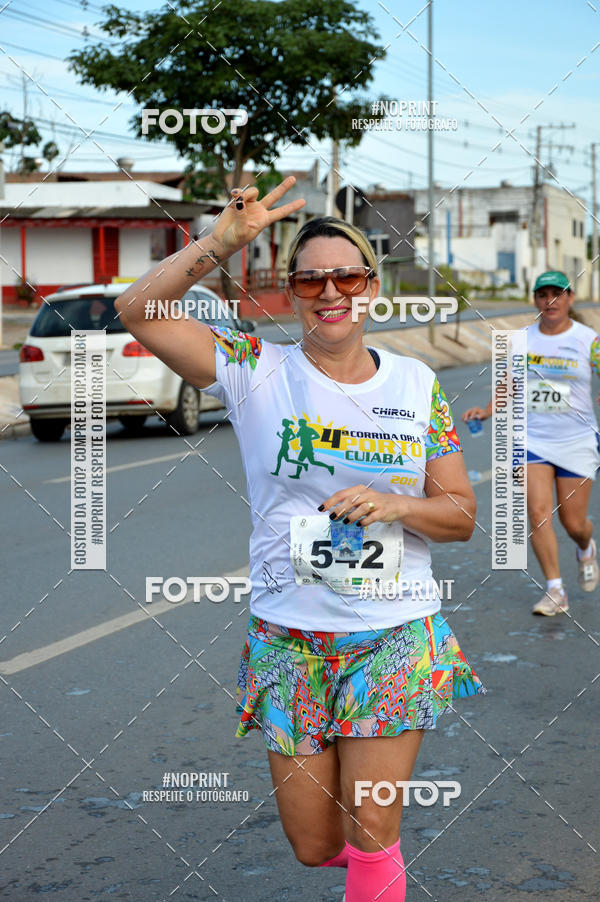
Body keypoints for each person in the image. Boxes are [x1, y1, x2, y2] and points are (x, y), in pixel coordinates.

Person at [115, 177, 485, 902]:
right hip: (289, 640)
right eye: (310, 279)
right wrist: (221, 243)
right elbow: (137, 311)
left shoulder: (417, 386)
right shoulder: (256, 369)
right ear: (292, 293)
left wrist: (394, 506)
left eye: (346, 274)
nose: (330, 290)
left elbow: (462, 514)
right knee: (316, 844)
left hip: (391, 635)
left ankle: (381, 868)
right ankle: (372, 866)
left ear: (370, 285)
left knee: (373, 828)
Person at [463, 270, 600, 615]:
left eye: (556, 294)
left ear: (569, 298)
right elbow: (508, 383)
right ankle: (555, 590)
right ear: (535, 300)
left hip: (577, 439)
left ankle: (585, 547)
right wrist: (486, 411)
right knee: (538, 513)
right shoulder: (521, 340)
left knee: (573, 523)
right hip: (532, 439)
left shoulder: (590, 340)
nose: (549, 301)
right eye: (542, 295)